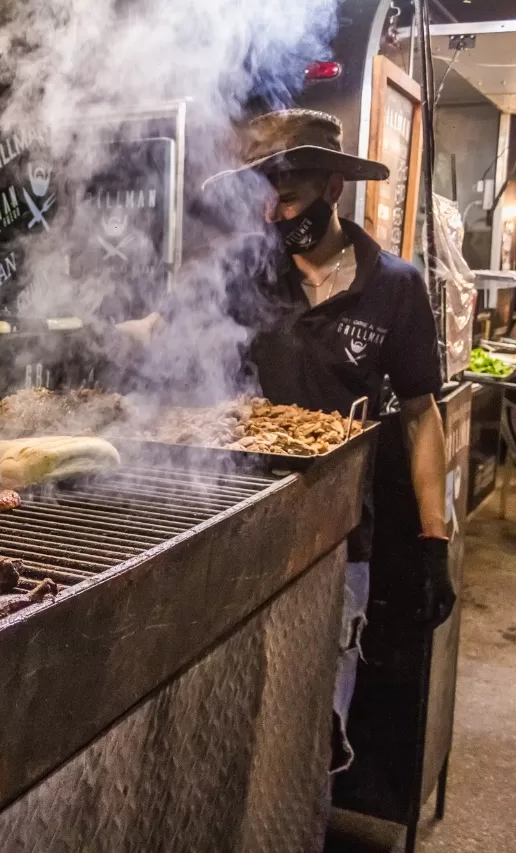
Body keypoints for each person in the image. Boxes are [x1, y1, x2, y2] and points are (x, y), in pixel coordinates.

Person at [121, 109, 455, 768]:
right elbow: (159, 329)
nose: (275, 213)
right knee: (233, 725)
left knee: (310, 730)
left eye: (291, 195)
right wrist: (83, 334)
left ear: (334, 187)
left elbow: (421, 413)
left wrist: (432, 541)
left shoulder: (393, 287)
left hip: (338, 540)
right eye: (265, 198)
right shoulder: (247, 265)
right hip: (239, 526)